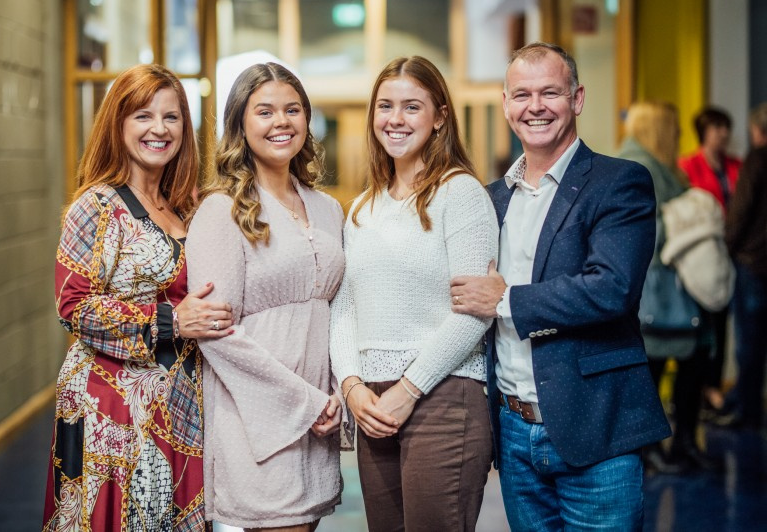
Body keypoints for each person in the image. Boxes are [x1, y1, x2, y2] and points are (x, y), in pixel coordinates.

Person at [450, 42, 671, 530]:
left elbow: (611, 288)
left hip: (595, 428)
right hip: (512, 429)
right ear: (506, 103)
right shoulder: (492, 198)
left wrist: (505, 299)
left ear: (577, 98)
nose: (535, 107)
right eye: (522, 94)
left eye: (550, 92)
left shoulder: (619, 183)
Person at [43, 64, 234, 531]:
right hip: (113, 406)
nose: (159, 129)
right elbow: (73, 307)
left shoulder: (186, 206)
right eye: (143, 116)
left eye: (171, 118)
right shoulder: (98, 205)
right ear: (118, 123)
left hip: (180, 401)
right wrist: (169, 322)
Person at [329, 56, 497, 532]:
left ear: (440, 115)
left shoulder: (460, 194)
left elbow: (473, 313)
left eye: (411, 106)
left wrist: (409, 388)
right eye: (385, 106)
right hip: (373, 405)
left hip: (443, 396)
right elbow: (343, 309)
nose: (395, 119)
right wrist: (351, 387)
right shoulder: (362, 207)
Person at [186, 63, 347, 531]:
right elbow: (216, 333)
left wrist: (336, 393)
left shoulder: (327, 208)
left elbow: (335, 311)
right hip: (258, 417)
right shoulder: (221, 211)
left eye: (293, 109)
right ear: (240, 123)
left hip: (319, 417)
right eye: (265, 111)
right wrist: (302, 400)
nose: (282, 122)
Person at [618, 101, 717, 473]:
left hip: (672, 292)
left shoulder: (659, 167)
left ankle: (674, 446)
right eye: (673, 128)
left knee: (674, 368)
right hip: (659, 292)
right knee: (654, 370)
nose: (678, 135)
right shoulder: (641, 168)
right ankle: (654, 450)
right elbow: (646, 234)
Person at [679, 106, 742, 415]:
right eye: (718, 127)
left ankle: (713, 389)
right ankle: (699, 392)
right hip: (702, 258)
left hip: (732, 254)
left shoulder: (736, 166)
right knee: (703, 328)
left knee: (724, 327)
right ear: (704, 131)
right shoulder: (687, 166)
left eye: (726, 127)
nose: (724, 134)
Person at [723, 102, 767, 429]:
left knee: (749, 343)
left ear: (757, 130)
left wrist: (727, 247)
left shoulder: (757, 159)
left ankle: (747, 412)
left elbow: (741, 211)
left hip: (753, 263)